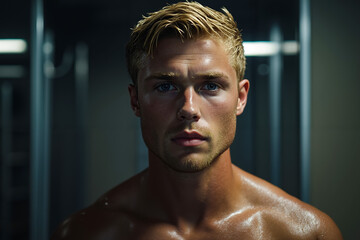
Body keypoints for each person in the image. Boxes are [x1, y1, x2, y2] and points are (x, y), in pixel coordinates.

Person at [51, 2, 343, 239]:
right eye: (165, 87)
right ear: (135, 100)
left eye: (210, 86)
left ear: (241, 98)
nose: (189, 108)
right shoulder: (85, 233)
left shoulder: (304, 233)